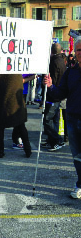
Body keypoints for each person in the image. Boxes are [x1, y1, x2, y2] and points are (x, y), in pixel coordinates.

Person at [43, 36, 81, 199]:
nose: (80, 53)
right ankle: (80, 184)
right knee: (77, 156)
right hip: (73, 118)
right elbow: (61, 93)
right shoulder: (71, 72)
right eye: (79, 50)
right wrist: (50, 85)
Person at [0, 74, 32, 158]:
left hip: (0, 103)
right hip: (16, 104)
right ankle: (28, 149)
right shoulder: (16, 72)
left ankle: (0, 151)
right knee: (21, 127)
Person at [41, 43, 66, 152]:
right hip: (58, 95)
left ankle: (57, 140)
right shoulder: (62, 61)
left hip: (53, 95)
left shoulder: (53, 62)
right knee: (54, 119)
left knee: (47, 119)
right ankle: (52, 140)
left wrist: (49, 88)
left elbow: (53, 79)